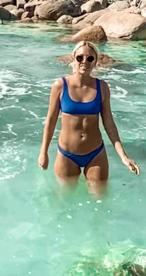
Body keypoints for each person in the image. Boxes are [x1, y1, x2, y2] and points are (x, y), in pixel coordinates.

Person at [38, 41, 140, 193]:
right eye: (80, 58)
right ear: (74, 59)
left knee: (99, 204)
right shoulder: (60, 85)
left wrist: (124, 157)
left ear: (95, 62)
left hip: (96, 154)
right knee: (64, 203)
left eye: (90, 58)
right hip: (67, 155)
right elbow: (51, 121)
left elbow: (109, 124)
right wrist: (43, 152)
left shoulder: (102, 87)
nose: (84, 61)